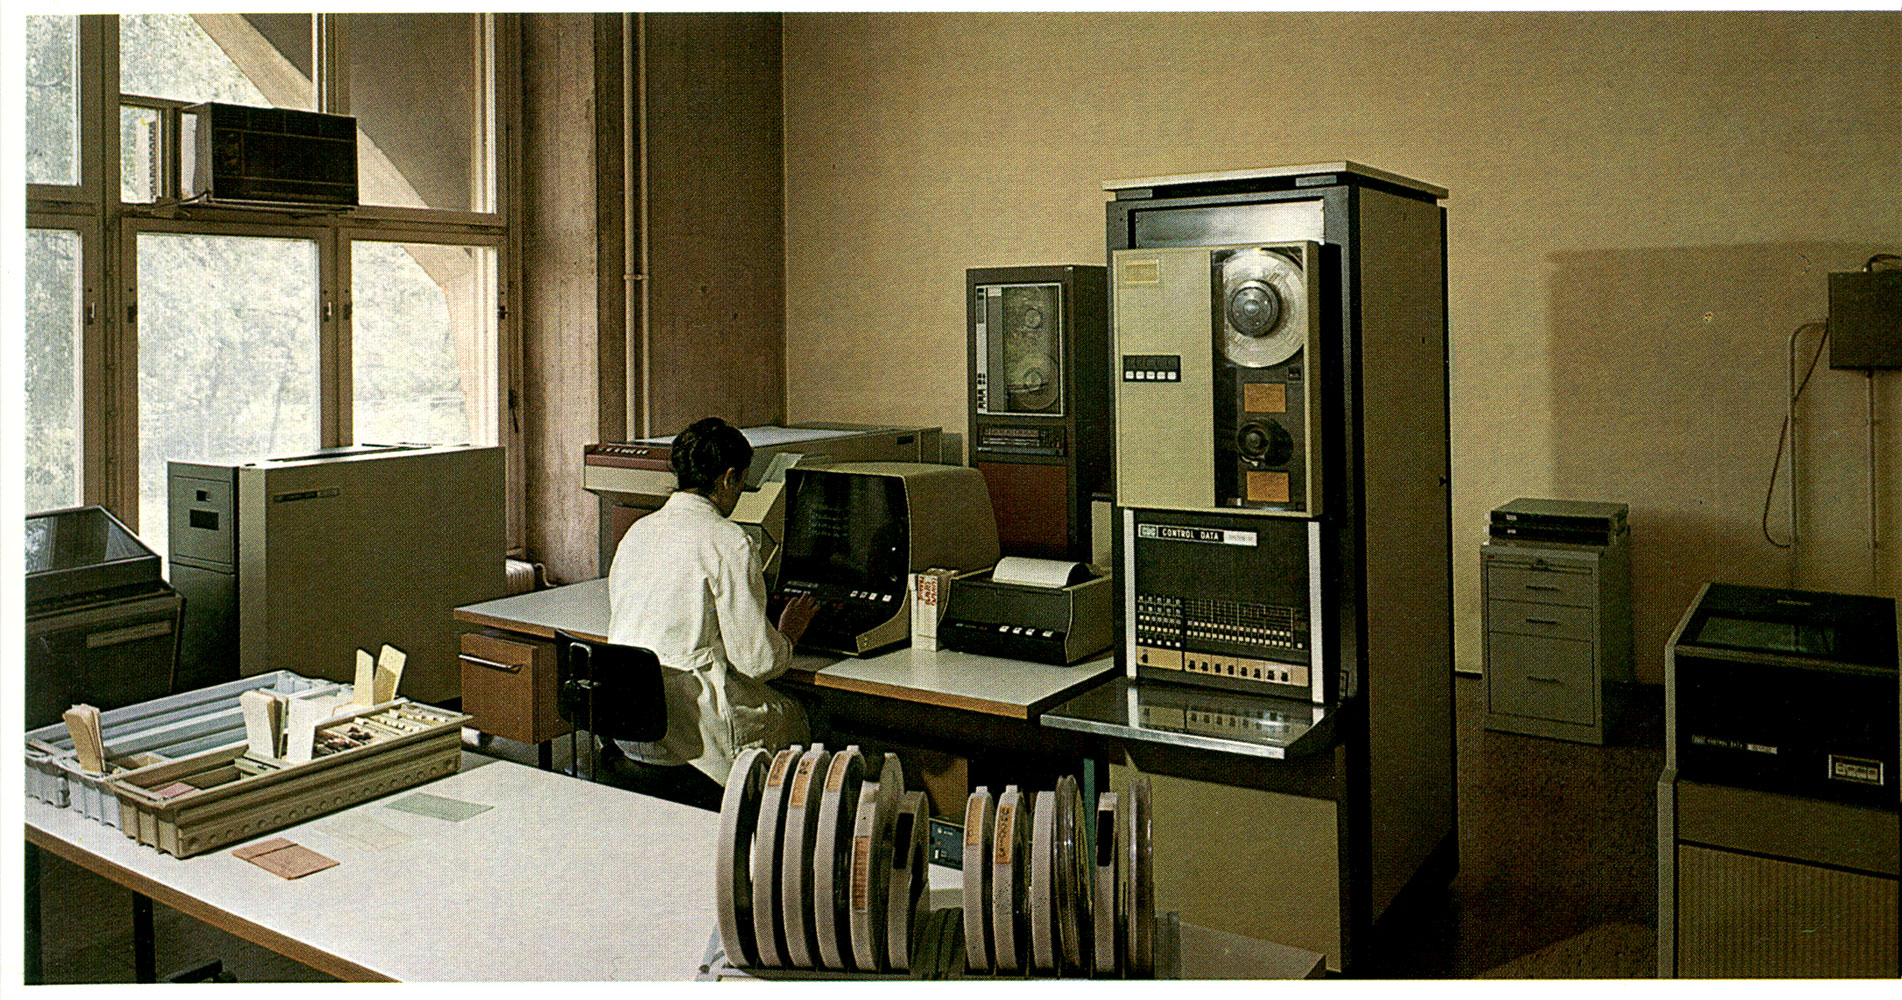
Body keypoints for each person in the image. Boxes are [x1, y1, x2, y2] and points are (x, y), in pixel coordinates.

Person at [605, 417, 820, 798]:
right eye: (742, 483)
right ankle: (773, 830)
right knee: (811, 713)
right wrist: (788, 633)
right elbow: (758, 663)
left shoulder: (637, 532)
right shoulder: (729, 540)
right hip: (694, 737)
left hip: (630, 728)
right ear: (729, 478)